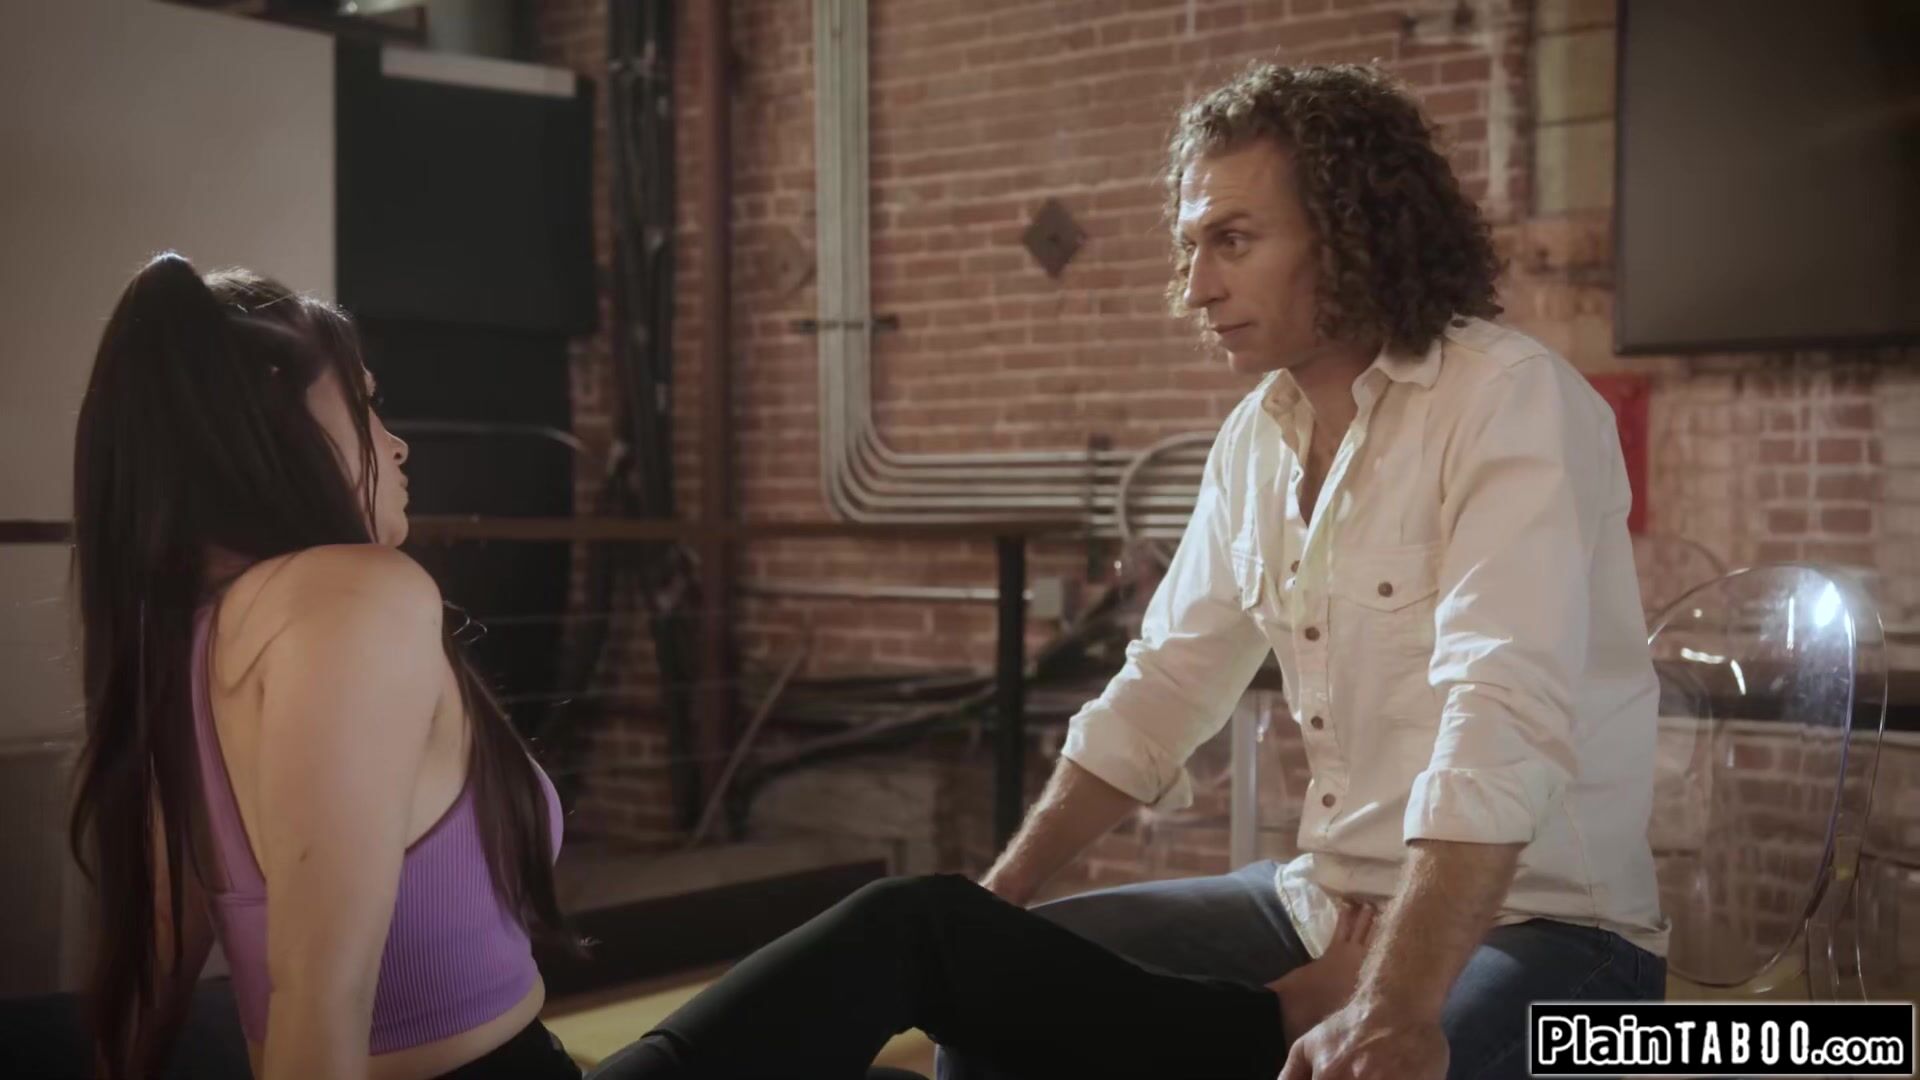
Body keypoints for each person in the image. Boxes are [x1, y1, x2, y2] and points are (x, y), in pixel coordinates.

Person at [67, 253, 1375, 1080]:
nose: (396, 443)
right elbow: (316, 1002)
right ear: (274, 435)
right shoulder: (354, 597)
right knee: (916, 929)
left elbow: (175, 979)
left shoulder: (187, 636)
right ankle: (1276, 1026)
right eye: (364, 407)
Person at [942, 61, 1670, 1080]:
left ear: (1350, 232)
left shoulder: (1510, 400)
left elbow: (1499, 711)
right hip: (1318, 902)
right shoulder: (1253, 440)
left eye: (1233, 241)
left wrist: (1393, 1006)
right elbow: (1165, 687)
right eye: (1192, 246)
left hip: (1544, 926)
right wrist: (996, 901)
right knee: (997, 988)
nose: (1197, 286)